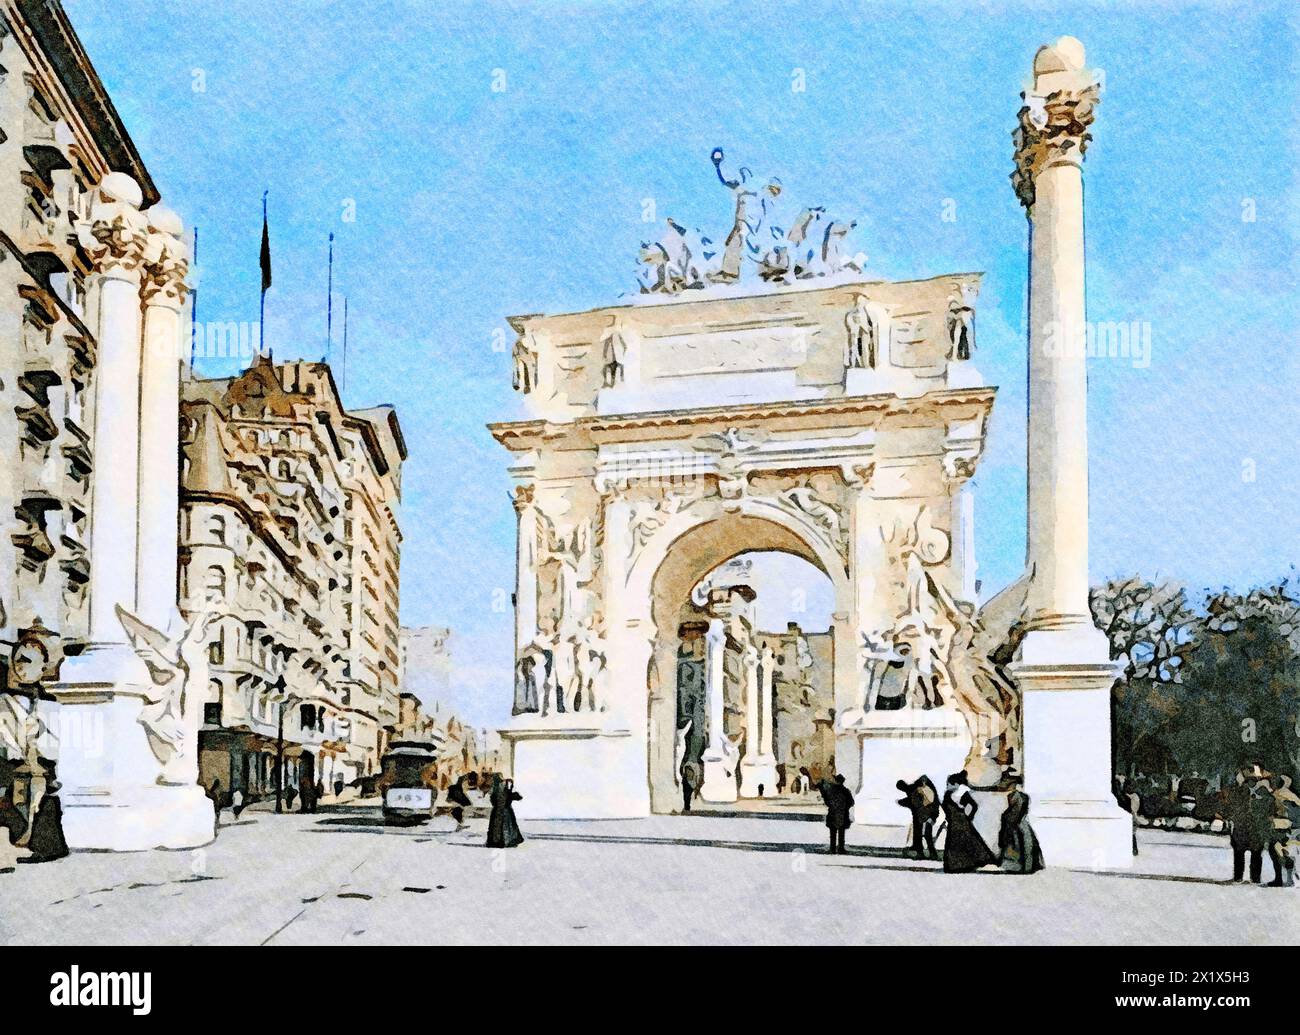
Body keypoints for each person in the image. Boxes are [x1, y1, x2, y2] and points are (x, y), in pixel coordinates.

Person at [940, 771, 995, 873]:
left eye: (949, 784)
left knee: (967, 842)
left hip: (962, 822)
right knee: (954, 844)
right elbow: (945, 809)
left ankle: (967, 865)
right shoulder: (947, 794)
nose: (947, 786)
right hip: (953, 823)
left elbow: (974, 806)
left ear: (956, 784)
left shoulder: (963, 794)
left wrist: (969, 817)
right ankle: (955, 866)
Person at [1227, 765, 1272, 884]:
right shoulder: (1262, 790)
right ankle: (1254, 878)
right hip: (1252, 826)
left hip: (1244, 825)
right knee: (1254, 853)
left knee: (1240, 853)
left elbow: (1232, 806)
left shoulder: (1239, 790)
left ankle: (1239, 877)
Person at [998, 784, 1044, 874]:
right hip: (1022, 824)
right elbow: (1021, 810)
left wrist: (1006, 818)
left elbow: (1014, 812)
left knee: (1018, 845)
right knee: (1026, 845)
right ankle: (1027, 866)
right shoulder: (1023, 796)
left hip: (1016, 824)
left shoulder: (1014, 796)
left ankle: (1018, 866)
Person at [20, 781, 69, 863]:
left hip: (47, 802)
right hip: (48, 801)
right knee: (47, 826)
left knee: (44, 827)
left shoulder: (49, 799)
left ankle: (46, 852)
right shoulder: (53, 798)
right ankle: (56, 850)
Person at [896, 775, 940, 860]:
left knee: (926, 834)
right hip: (928, 814)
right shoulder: (915, 787)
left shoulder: (914, 789)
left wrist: (900, 802)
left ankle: (927, 853)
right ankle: (927, 852)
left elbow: (912, 802)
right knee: (926, 833)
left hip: (928, 814)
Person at [1267, 774, 1300, 887]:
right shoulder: (1283, 797)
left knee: (1285, 853)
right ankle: (1282, 879)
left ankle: (1286, 879)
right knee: (1278, 852)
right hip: (1281, 829)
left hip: (1288, 830)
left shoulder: (1288, 798)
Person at [819, 773, 854, 854]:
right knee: (841, 833)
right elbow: (851, 802)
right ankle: (841, 849)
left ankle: (832, 849)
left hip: (833, 814)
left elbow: (827, 802)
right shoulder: (846, 791)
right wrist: (845, 808)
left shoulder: (831, 791)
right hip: (843, 814)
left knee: (833, 833)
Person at [486, 774, 524, 848]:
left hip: (500, 811)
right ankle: (504, 842)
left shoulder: (495, 789)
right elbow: (517, 797)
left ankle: (498, 842)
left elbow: (493, 800)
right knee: (505, 826)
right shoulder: (499, 788)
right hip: (504, 811)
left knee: (502, 826)